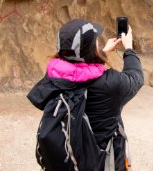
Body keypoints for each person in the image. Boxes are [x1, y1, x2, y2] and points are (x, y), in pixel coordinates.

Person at [28, 18, 143, 171]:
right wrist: (129, 48)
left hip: (76, 159)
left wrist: (102, 52)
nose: (98, 42)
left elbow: (77, 71)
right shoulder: (109, 84)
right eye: (95, 40)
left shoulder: (54, 76)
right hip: (103, 163)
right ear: (89, 48)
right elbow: (136, 77)